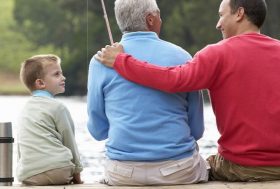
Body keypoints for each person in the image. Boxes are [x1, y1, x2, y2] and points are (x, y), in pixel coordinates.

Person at [95, 0, 280, 182]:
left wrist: (122, 61)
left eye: (221, 15)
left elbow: (174, 79)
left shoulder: (217, 54)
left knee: (205, 165)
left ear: (239, 14)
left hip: (241, 167)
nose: (218, 24)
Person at [87, 0, 208, 186]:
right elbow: (197, 130)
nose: (162, 19)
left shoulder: (100, 61)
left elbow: (98, 131)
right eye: (159, 14)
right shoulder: (183, 57)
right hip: (178, 171)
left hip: (123, 173)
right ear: (150, 19)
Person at [17, 54, 83, 185]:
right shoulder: (58, 107)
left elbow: (21, 145)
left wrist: (23, 170)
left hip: (29, 175)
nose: (63, 77)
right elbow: (69, 140)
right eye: (57, 74)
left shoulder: (25, 109)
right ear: (40, 83)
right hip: (59, 171)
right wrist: (77, 175)